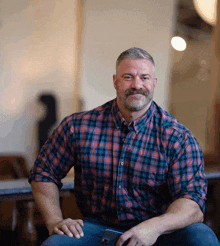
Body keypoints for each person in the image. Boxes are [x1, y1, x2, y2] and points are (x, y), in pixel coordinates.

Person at [29, 47, 219, 246]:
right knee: (55, 244)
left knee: (201, 236)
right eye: (128, 77)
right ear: (115, 81)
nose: (137, 85)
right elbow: (44, 173)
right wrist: (54, 220)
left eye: (144, 78)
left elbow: (192, 204)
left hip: (159, 232)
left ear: (154, 83)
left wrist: (154, 227)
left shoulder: (178, 138)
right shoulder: (77, 127)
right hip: (96, 229)